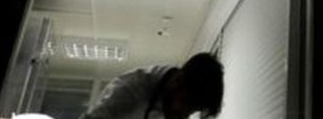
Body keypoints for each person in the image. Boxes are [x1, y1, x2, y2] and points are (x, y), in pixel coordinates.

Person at [81, 52, 224, 119]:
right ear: (178, 81)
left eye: (193, 111)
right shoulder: (130, 89)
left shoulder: (172, 103)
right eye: (187, 104)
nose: (185, 115)